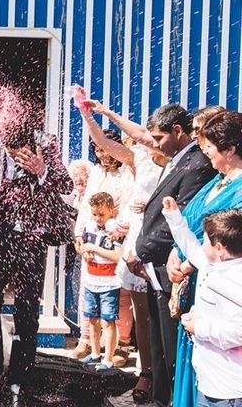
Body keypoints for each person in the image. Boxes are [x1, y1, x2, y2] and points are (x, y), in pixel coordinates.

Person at [0, 123, 73, 407]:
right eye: (10, 150)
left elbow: (66, 185)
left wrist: (41, 170)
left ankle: (19, 376)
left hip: (31, 243)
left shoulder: (45, 145)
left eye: (18, 149)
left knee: (27, 313)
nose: (14, 154)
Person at [127, 104, 216, 406]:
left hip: (173, 268)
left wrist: (141, 250)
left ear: (178, 131)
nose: (155, 143)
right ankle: (160, 398)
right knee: (158, 345)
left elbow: (181, 219)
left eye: (159, 137)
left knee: (171, 347)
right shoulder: (178, 159)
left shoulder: (198, 164)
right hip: (155, 267)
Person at [82, 100, 168, 401]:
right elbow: (103, 141)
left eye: (158, 136)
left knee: (166, 313)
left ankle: (168, 372)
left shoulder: (179, 162)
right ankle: (147, 372)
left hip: (166, 239)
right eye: (151, 136)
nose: (153, 141)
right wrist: (91, 114)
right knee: (142, 314)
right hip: (139, 240)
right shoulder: (138, 159)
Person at [161, 110, 242, 407]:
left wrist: (188, 262)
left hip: (223, 288)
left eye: (209, 146)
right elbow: (193, 224)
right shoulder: (217, 181)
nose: (205, 152)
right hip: (197, 282)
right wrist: (176, 250)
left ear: (231, 148)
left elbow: (226, 240)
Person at [162, 202, 242, 406]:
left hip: (230, 388)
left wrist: (199, 327)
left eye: (204, 240)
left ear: (219, 248)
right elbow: (189, 245)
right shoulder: (211, 264)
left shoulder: (235, 280)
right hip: (209, 379)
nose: (200, 244)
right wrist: (173, 216)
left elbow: (239, 331)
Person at [70, 128, 134, 363]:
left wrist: (116, 228)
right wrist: (79, 235)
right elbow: (86, 205)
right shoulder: (95, 171)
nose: (103, 154)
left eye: (106, 149)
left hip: (115, 233)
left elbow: (127, 204)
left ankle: (118, 346)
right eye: (98, 149)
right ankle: (86, 340)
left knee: (118, 291)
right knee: (87, 288)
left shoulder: (126, 173)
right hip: (91, 233)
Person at [78, 192, 123, 370]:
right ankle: (95, 353)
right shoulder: (90, 226)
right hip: (91, 280)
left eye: (102, 214)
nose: (98, 218)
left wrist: (93, 248)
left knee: (108, 321)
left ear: (112, 211)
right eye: (95, 214)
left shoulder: (115, 230)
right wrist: (86, 252)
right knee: (93, 319)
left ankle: (108, 359)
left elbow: (117, 256)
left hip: (109, 283)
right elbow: (83, 248)